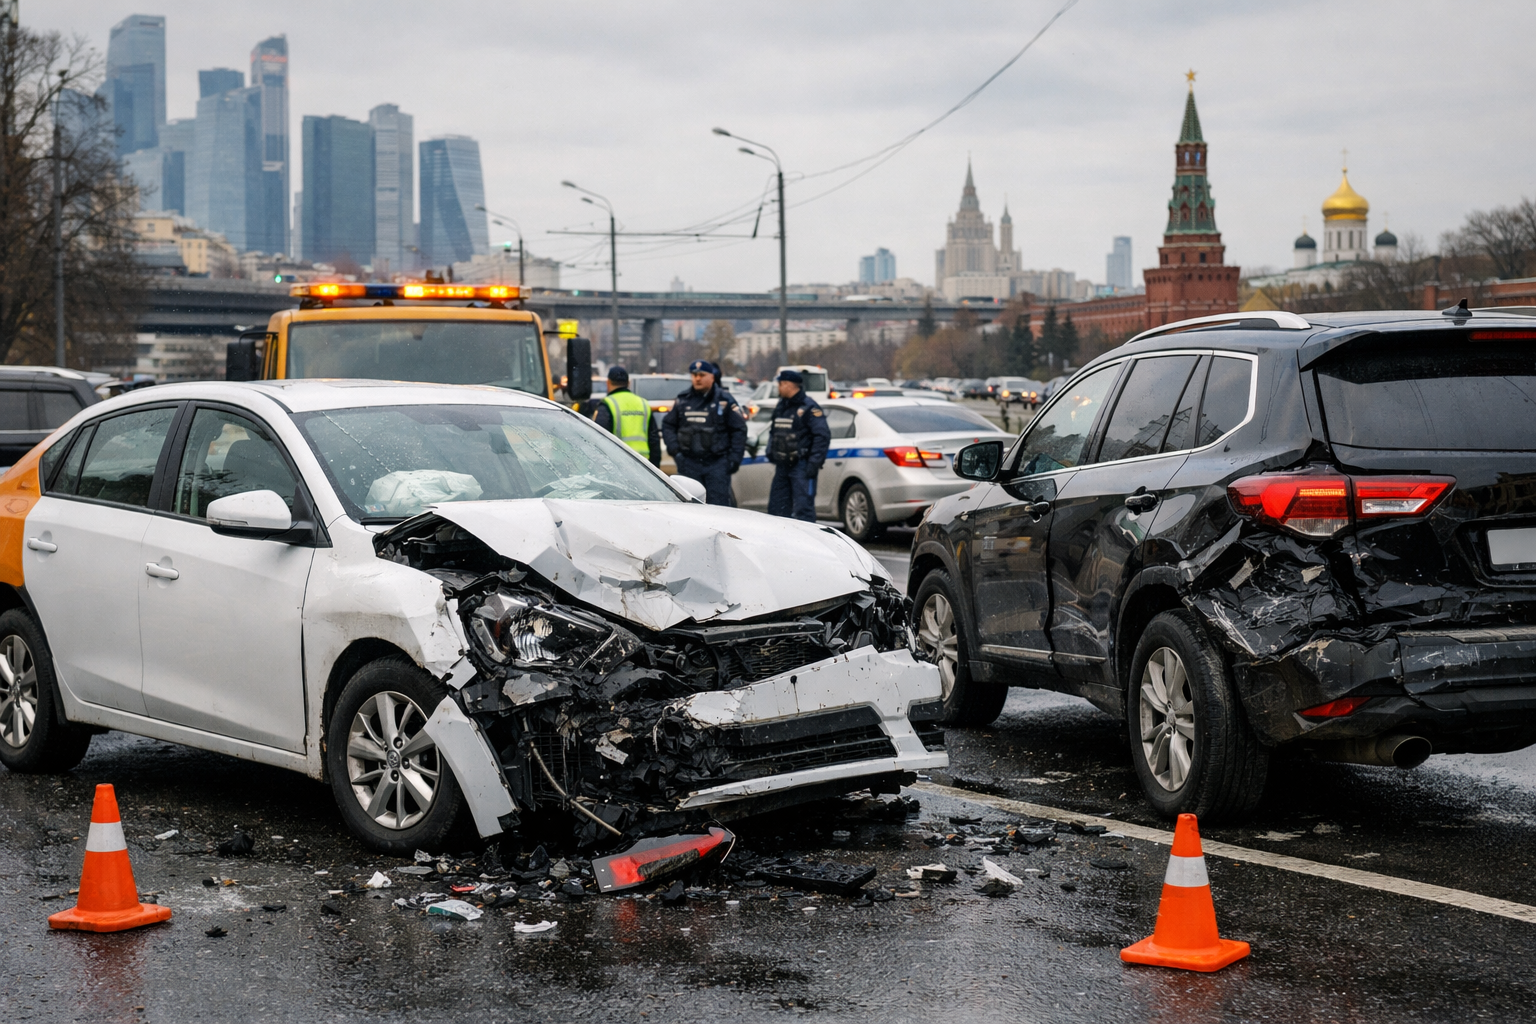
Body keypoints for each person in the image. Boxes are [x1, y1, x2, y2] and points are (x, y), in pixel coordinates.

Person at [661, 359, 747, 504]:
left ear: (712, 377)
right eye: (694, 375)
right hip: (689, 463)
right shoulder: (683, 400)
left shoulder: (724, 400)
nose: (698, 378)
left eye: (702, 375)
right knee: (691, 507)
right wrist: (675, 451)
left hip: (717, 464)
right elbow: (668, 425)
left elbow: (739, 429)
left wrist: (733, 459)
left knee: (718, 507)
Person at [766, 368, 830, 522]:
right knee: (777, 510)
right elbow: (774, 431)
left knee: (803, 511)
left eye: (780, 384)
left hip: (801, 466)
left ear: (788, 385)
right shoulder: (782, 406)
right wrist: (770, 451)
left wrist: (813, 463)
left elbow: (822, 436)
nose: (778, 388)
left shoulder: (809, 407)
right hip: (782, 466)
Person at [592, 366, 660, 467]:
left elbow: (599, 438)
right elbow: (654, 439)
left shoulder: (608, 404)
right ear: (628, 383)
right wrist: (655, 467)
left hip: (618, 465)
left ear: (608, 383)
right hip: (644, 466)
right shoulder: (643, 403)